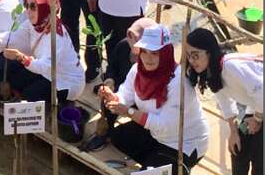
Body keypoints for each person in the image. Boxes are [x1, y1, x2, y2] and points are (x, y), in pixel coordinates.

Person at [99, 25, 209, 174]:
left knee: (153, 169)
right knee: (118, 137)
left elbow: (165, 125)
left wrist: (128, 111)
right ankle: (155, 162)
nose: (148, 58)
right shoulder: (137, 70)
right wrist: (114, 98)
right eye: (144, 51)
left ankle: (173, 165)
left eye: (155, 53)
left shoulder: (179, 82)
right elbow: (125, 94)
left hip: (182, 143)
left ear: (165, 54)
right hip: (155, 133)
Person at [0, 0, 85, 103]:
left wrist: (20, 57)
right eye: (27, 6)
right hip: (46, 72)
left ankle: (62, 106)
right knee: (15, 80)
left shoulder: (56, 37)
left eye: (33, 7)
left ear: (45, 9)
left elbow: (45, 66)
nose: (28, 11)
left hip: (65, 81)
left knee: (30, 94)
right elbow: (12, 37)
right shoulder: (34, 24)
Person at [186, 28, 263, 175]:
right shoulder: (212, 73)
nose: (191, 61)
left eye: (195, 55)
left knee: (259, 156)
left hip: (260, 108)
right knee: (238, 148)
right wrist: (233, 132)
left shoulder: (231, 66)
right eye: (189, 56)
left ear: (208, 52)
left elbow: (262, 92)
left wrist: (257, 120)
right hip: (257, 108)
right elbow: (226, 103)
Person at [85, 17, 158, 152]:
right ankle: (106, 130)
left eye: (137, 39)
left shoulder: (155, 60)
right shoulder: (123, 46)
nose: (132, 43)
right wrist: (110, 81)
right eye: (131, 37)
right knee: (107, 97)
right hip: (124, 89)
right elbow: (112, 67)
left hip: (145, 98)